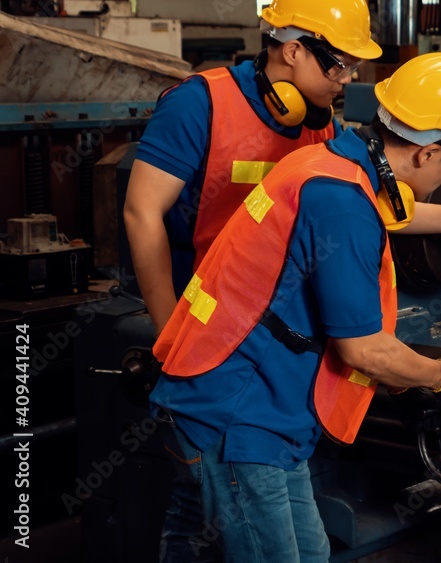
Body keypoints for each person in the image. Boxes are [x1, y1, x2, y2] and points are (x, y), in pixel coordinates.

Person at [148, 52, 441, 562]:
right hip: (236, 418)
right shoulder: (342, 201)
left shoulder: (330, 161)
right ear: (427, 154)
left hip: (253, 407)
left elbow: (377, 207)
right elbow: (363, 350)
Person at [123, 0, 381, 336]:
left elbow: (371, 198)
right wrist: (169, 332)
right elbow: (141, 212)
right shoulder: (200, 102)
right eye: (340, 66)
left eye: (353, 67)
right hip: (207, 315)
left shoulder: (322, 124)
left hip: (284, 320)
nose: (347, 79)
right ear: (292, 51)